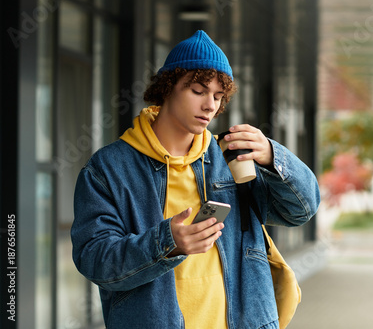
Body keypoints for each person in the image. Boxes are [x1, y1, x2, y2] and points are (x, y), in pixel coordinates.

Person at [72, 30, 320, 329]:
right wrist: (167, 243)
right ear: (167, 88)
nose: (210, 106)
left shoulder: (229, 159)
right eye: (198, 91)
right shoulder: (110, 167)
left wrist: (272, 155)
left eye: (218, 96)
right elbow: (95, 260)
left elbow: (301, 210)